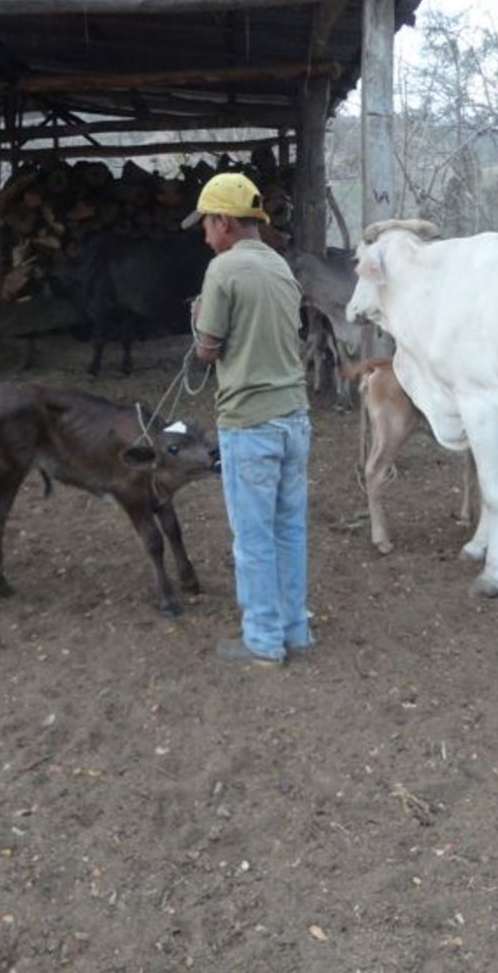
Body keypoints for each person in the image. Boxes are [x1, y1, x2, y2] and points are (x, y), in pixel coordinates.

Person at [185, 172, 312, 667]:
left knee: (253, 538)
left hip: (249, 422)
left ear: (225, 222)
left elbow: (207, 350)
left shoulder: (223, 270)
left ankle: (262, 639)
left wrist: (199, 318)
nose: (204, 235)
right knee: (289, 529)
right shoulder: (280, 266)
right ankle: (295, 628)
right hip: (294, 418)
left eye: (206, 224)